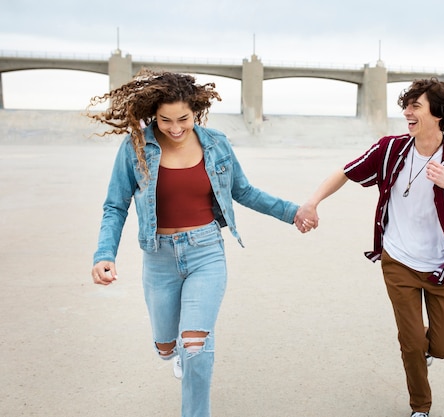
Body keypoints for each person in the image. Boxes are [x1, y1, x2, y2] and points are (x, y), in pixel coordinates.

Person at [88, 69, 310, 417]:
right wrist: (105, 254)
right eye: (165, 120)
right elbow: (115, 205)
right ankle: (172, 352)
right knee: (167, 345)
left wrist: (292, 212)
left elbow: (243, 192)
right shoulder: (135, 148)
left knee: (196, 345)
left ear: (196, 111)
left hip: (206, 251)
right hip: (159, 258)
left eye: (183, 119)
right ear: (152, 115)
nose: (175, 128)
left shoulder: (216, 143)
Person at [295, 78, 444, 417]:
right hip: (398, 259)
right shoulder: (391, 148)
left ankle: (428, 348)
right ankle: (420, 407)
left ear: (439, 113)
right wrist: (312, 202)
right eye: (407, 105)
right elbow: (346, 171)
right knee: (411, 343)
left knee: (443, 347)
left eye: (415, 106)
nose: (406, 111)